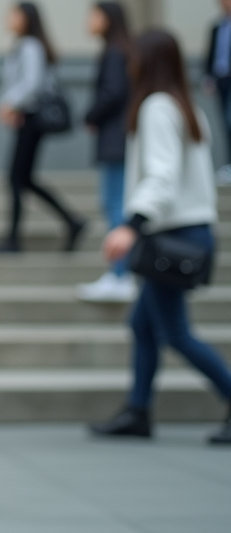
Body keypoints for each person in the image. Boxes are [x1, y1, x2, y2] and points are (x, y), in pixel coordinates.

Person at [90, 29, 231, 445]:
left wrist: (131, 225)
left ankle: (143, 410)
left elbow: (163, 175)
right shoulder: (186, 107)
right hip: (190, 232)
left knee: (175, 333)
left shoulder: (156, 107)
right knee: (144, 325)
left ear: (146, 61)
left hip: (172, 235)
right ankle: (138, 410)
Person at [0, 0, 86, 253]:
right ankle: (71, 221)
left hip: (32, 119)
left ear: (27, 18)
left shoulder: (30, 46)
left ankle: (14, 239)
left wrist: (9, 104)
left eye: (14, 15)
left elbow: (32, 82)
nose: (9, 19)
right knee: (23, 179)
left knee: (17, 178)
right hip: (27, 117)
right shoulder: (26, 45)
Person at [77, 0, 136, 302]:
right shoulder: (122, 50)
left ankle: (120, 274)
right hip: (121, 138)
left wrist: (91, 115)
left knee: (114, 204)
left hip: (115, 139)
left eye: (94, 15)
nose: (89, 20)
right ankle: (120, 273)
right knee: (116, 203)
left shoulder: (114, 52)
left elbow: (112, 93)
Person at [202, 0, 231, 184]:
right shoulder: (217, 26)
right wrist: (208, 77)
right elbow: (210, 54)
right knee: (224, 122)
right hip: (221, 79)